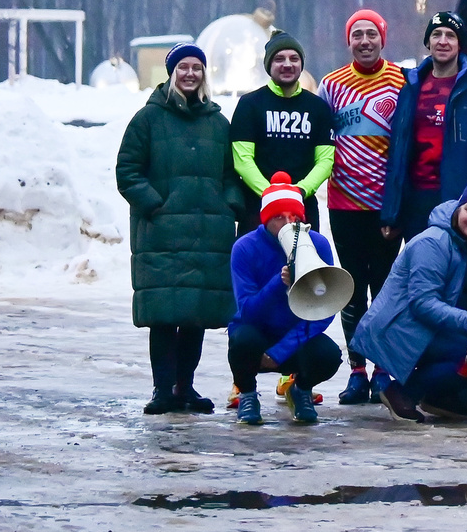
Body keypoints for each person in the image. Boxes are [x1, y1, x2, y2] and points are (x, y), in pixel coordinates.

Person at [115, 42, 243, 414]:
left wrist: (229, 203)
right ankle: (162, 391)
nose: (190, 74)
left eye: (197, 68)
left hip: (208, 233)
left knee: (196, 315)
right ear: (171, 73)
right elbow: (128, 172)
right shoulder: (147, 120)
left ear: (204, 74)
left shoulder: (218, 123)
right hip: (161, 234)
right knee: (164, 315)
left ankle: (184, 387)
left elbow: (230, 172)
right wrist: (156, 204)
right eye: (183, 67)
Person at [353, 178, 467, 421]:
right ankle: (401, 392)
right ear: (458, 209)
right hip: (400, 326)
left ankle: (441, 399)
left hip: (441, 326)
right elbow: (422, 302)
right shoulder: (432, 242)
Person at [319, 9, 406, 404]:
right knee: (351, 288)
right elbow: (319, 137)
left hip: (386, 204)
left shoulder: (403, 80)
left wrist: (396, 206)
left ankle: (383, 368)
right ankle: (357, 370)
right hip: (345, 201)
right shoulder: (332, 84)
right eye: (358, 35)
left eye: (372, 33)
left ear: (383, 38)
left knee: (385, 287)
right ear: (348, 40)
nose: (365, 41)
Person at [380, 13, 467, 241]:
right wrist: (391, 213)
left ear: (460, 45)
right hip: (417, 201)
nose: (443, 41)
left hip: (463, 202)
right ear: (428, 42)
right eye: (436, 34)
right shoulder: (410, 88)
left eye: (450, 36)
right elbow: (397, 154)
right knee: (423, 271)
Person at [226, 175, 343, 425]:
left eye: (294, 216)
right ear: (266, 219)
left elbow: (323, 310)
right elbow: (247, 312)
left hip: (293, 336)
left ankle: (300, 389)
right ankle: (247, 393)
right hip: (257, 333)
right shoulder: (245, 248)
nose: (289, 222)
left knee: (329, 356)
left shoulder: (317, 244)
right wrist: (278, 284)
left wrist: (280, 352)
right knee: (241, 341)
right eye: (280, 216)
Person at [228, 31, 336, 234]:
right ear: (269, 64)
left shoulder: (318, 107)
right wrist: (271, 193)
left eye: (294, 58)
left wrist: (300, 190)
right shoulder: (249, 105)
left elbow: (325, 160)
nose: (287, 64)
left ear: (301, 64)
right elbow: (242, 159)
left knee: (303, 266)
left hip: (303, 209)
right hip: (257, 210)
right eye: (279, 59)